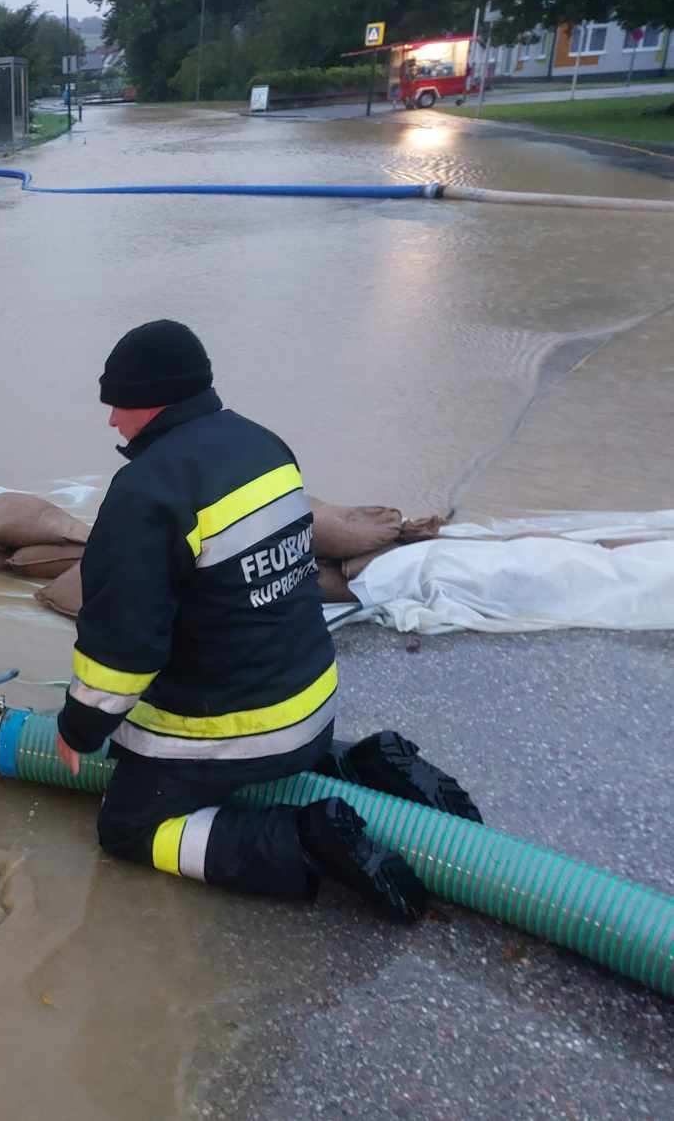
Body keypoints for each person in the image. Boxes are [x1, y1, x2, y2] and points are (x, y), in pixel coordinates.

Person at [54, 320, 480, 921]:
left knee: (128, 826)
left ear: (151, 401)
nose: (111, 420)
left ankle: (302, 839)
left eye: (117, 403)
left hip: (238, 732)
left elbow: (122, 649)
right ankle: (363, 761)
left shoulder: (146, 492)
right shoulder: (265, 446)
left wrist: (78, 728)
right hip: (315, 706)